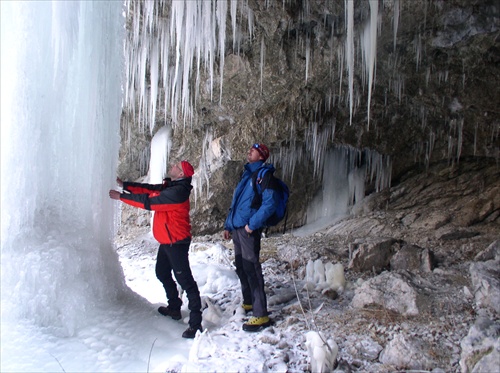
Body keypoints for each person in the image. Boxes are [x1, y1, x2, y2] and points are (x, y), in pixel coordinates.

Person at [109, 160, 203, 339]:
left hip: (176, 243)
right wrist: (126, 185)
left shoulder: (177, 193)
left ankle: (195, 324)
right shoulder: (171, 186)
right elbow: (148, 190)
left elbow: (149, 201)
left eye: (176, 166)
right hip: (167, 242)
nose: (172, 166)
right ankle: (174, 307)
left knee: (186, 281)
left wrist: (121, 196)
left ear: (182, 174)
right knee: (162, 272)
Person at [223, 143, 278, 332]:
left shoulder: (264, 175)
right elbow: (237, 203)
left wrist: (251, 225)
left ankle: (260, 314)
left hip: (248, 230)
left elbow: (269, 203)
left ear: (261, 156)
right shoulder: (246, 174)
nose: (249, 152)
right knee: (241, 266)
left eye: (253, 150)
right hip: (238, 228)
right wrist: (228, 225)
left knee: (252, 268)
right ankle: (248, 302)